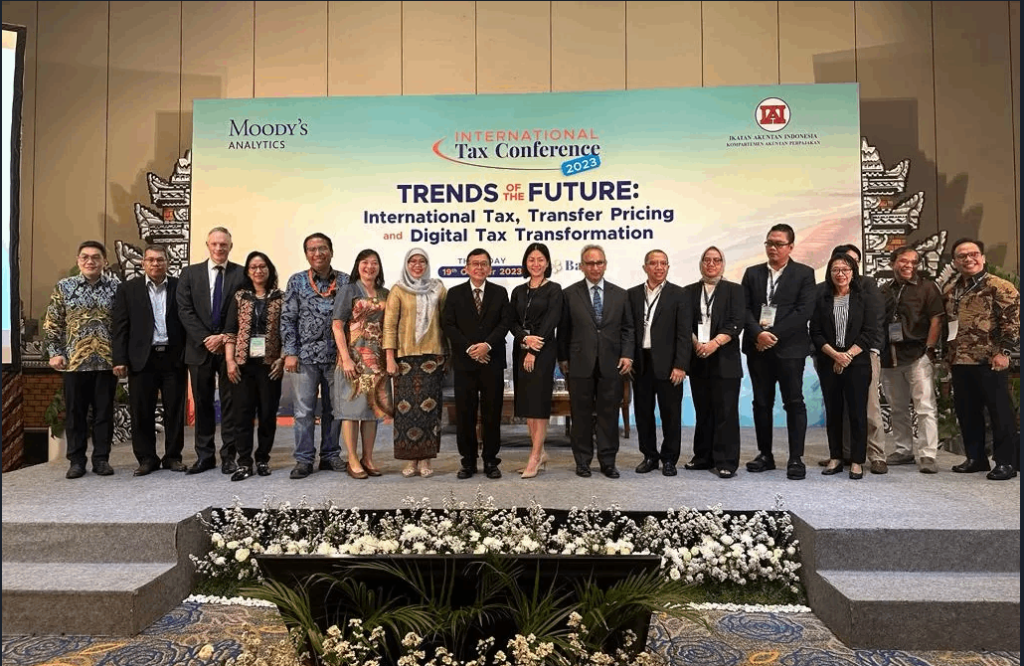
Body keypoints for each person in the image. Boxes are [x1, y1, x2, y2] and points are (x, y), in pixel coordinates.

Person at [741, 223, 816, 480]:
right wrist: (758, 334)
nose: (773, 248)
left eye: (779, 244)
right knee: (761, 403)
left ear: (791, 247)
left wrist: (772, 335)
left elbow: (803, 311)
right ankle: (765, 455)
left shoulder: (804, 274)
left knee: (793, 402)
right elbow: (744, 309)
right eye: (769, 243)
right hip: (758, 348)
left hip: (790, 350)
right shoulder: (752, 273)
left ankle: (796, 458)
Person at [942, 238, 1020, 481]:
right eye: (962, 256)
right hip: (960, 360)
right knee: (967, 412)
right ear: (955, 262)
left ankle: (1006, 462)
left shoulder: (999, 286)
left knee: (1000, 413)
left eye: (973, 254)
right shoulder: (951, 289)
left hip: (991, 360)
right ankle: (976, 458)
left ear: (983, 258)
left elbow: (1013, 322)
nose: (968, 259)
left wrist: (1004, 353)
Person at [44, 240, 121, 479]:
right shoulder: (64, 287)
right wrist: (55, 352)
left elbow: (123, 326)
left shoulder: (117, 288)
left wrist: (122, 358)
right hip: (74, 363)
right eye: (85, 257)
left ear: (104, 261)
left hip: (106, 363)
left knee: (103, 415)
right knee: (75, 415)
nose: (90, 261)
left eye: (96, 257)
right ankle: (76, 461)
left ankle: (101, 460)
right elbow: (52, 323)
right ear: (78, 261)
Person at [558, 244, 634, 478]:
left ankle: (608, 462)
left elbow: (628, 329)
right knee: (580, 415)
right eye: (590, 263)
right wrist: (563, 358)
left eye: (599, 262)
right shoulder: (569, 294)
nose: (595, 267)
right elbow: (563, 330)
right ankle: (582, 461)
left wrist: (627, 354)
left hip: (612, 364)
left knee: (608, 415)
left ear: (605, 265)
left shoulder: (621, 294)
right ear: (582, 266)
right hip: (580, 363)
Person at [111, 244, 187, 476]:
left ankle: (173, 457)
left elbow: (187, 320)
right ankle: (146, 458)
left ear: (167, 262)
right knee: (141, 410)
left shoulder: (180, 286)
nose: (155, 264)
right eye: (151, 260)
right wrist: (119, 359)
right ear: (143, 263)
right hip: (142, 359)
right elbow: (120, 327)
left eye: (160, 260)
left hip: (173, 357)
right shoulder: (128, 289)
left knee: (175, 411)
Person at [176, 227, 245, 475]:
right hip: (199, 349)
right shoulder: (190, 274)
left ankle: (229, 456)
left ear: (230, 246)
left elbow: (243, 311)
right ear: (207, 245)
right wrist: (206, 338)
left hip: (230, 350)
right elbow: (184, 310)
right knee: (202, 403)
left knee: (230, 404)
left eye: (223, 244)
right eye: (214, 244)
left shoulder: (241, 274)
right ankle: (204, 456)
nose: (219, 248)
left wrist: (223, 337)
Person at [816, 244, 887, 474]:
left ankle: (858, 460)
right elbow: (815, 332)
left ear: (853, 271)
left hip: (858, 361)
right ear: (830, 272)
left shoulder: (863, 296)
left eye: (846, 269)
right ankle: (836, 456)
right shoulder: (822, 297)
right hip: (829, 361)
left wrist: (847, 355)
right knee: (834, 411)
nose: (841, 274)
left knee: (859, 412)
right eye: (836, 269)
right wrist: (835, 355)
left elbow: (870, 331)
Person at [281, 233, 348, 479]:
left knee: (335, 410)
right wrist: (290, 352)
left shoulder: (346, 281)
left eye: (322, 248)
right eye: (312, 249)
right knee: (303, 411)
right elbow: (288, 318)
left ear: (331, 251)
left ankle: (330, 455)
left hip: (336, 358)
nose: (317, 253)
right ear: (306, 254)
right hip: (304, 357)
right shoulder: (297, 281)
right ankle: (304, 459)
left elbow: (353, 320)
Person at [442, 248, 510, 480]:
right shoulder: (455, 293)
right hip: (465, 364)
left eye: (483, 264)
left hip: (492, 361)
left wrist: (487, 346)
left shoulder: (500, 293)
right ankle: (468, 462)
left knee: (492, 414)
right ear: (467, 268)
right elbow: (448, 325)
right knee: (465, 415)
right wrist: (471, 349)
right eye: (475, 263)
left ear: (490, 268)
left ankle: (491, 461)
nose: (479, 267)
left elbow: (505, 323)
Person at [384, 248, 448, 478]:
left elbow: (447, 321)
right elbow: (389, 326)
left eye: (422, 261)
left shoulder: (438, 288)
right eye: (413, 261)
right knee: (406, 412)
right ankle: (411, 459)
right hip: (405, 360)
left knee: (429, 411)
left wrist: (449, 355)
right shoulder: (398, 290)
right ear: (406, 264)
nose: (417, 265)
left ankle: (426, 460)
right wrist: (389, 357)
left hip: (433, 358)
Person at [879, 246, 944, 474]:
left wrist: (929, 348)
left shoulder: (927, 288)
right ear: (893, 263)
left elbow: (937, 319)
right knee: (897, 408)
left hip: (917, 355)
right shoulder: (884, 290)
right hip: (890, 357)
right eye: (904, 261)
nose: (909, 265)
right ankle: (903, 450)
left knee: (924, 406)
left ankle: (928, 454)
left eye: (914, 262)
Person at [682, 246, 746, 479]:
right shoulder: (688, 291)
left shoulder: (735, 290)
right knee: (703, 412)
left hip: (725, 360)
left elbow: (737, 322)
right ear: (701, 264)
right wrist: (697, 343)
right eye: (707, 260)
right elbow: (684, 322)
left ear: (723, 264)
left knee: (726, 413)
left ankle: (726, 461)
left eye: (716, 260)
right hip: (699, 358)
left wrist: (714, 344)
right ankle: (702, 457)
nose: (711, 264)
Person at [627, 249, 691, 477]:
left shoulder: (679, 294)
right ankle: (650, 456)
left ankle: (669, 459)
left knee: (671, 414)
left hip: (669, 364)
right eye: (654, 263)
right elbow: (628, 330)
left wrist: (681, 365)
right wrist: (628, 358)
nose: (659, 267)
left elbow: (684, 334)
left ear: (668, 267)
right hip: (641, 363)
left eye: (663, 263)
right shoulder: (632, 295)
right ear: (645, 267)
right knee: (643, 413)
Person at [223, 251, 285, 481]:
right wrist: (230, 361)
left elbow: (288, 332)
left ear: (269, 269)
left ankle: (262, 459)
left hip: (270, 365)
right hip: (243, 365)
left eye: (262, 266)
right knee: (242, 414)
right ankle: (244, 462)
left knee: (268, 414)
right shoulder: (240, 297)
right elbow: (230, 331)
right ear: (248, 272)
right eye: (253, 267)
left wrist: (282, 358)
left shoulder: (281, 297)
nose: (258, 271)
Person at [332, 249, 392, 479]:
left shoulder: (385, 293)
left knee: (372, 410)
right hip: (353, 359)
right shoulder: (348, 290)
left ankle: (368, 457)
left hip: (377, 360)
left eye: (374, 263)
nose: (370, 267)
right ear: (358, 266)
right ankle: (352, 459)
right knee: (351, 411)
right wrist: (346, 358)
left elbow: (389, 327)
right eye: (365, 262)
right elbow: (337, 325)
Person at [508, 243, 563, 478]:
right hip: (521, 350)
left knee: (538, 405)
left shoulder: (554, 290)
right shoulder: (518, 291)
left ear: (547, 263)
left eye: (540, 259)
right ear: (525, 262)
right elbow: (511, 321)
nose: (536, 264)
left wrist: (534, 350)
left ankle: (535, 456)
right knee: (527, 405)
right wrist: (524, 339)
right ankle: (539, 451)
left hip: (543, 352)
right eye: (531, 259)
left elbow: (551, 322)